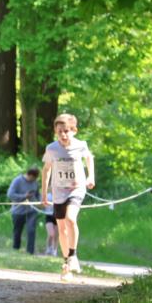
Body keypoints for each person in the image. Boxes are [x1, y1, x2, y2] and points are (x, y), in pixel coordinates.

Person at [41, 113, 95, 281]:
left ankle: (73, 255)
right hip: (58, 192)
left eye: (66, 131)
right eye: (59, 132)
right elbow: (46, 170)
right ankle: (66, 264)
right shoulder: (52, 149)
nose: (63, 135)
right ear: (55, 132)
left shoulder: (81, 145)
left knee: (71, 219)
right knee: (62, 229)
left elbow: (89, 158)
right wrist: (44, 193)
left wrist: (91, 176)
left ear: (74, 131)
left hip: (76, 189)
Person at [8, 167, 41, 255]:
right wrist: (24, 196)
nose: (33, 180)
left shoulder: (35, 182)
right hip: (18, 211)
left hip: (31, 210)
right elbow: (10, 194)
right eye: (33, 178)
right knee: (17, 231)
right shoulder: (17, 181)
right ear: (29, 175)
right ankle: (16, 249)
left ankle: (30, 252)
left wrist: (40, 201)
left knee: (31, 229)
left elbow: (38, 194)